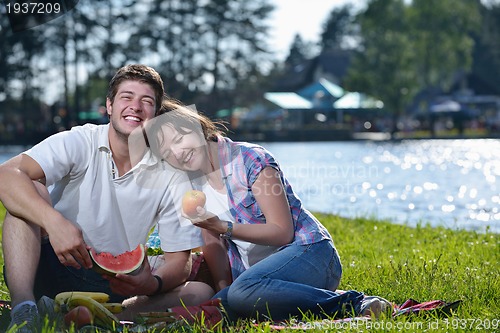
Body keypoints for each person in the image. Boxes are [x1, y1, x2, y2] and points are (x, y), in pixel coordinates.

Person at [0, 65, 213, 332]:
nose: (135, 106)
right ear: (109, 106)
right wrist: (54, 223)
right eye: (126, 97)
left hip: (116, 285)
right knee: (32, 188)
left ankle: (100, 314)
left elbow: (179, 264)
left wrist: (150, 284)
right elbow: (6, 174)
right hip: (52, 264)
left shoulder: (172, 173)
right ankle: (24, 308)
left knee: (199, 291)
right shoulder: (80, 140)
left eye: (146, 101)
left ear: (156, 114)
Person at [144, 102, 370, 324]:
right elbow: (212, 243)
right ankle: (270, 297)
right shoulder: (191, 183)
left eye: (178, 139)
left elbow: (282, 232)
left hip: (310, 254)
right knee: (214, 309)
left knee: (242, 292)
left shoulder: (250, 159)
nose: (178, 153)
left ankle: (356, 303)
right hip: (256, 279)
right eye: (167, 153)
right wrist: (225, 291)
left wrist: (223, 227)